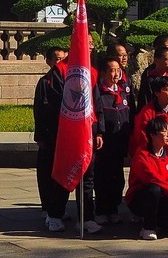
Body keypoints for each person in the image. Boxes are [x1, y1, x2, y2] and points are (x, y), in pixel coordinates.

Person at [32, 47, 99, 233]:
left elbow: (97, 104)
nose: (90, 46)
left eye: (91, 43)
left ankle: (86, 218)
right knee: (62, 176)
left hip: (86, 135)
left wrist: (98, 132)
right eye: (87, 42)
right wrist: (44, 135)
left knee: (87, 178)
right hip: (63, 135)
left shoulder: (91, 73)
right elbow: (44, 110)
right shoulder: (57, 74)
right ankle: (54, 215)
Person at [125, 116, 168, 241]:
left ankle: (158, 221)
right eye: (164, 132)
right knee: (154, 189)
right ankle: (147, 227)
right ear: (153, 135)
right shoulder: (142, 154)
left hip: (162, 196)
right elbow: (152, 178)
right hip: (140, 197)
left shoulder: (167, 157)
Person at [93, 56, 132, 224]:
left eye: (118, 70)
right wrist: (99, 133)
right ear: (103, 73)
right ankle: (101, 209)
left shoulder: (124, 90)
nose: (116, 74)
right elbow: (98, 114)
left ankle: (114, 208)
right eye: (112, 70)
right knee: (102, 176)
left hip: (119, 140)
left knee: (118, 176)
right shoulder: (98, 91)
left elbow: (131, 112)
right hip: (105, 141)